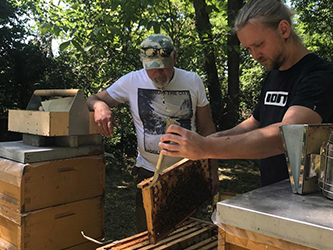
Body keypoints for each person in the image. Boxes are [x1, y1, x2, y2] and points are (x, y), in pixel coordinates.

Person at [159, 0, 333, 187]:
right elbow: (256, 121)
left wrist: (207, 147)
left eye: (259, 44)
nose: (255, 55)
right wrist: (213, 138)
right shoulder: (274, 74)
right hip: (273, 193)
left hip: (312, 197)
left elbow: (288, 136)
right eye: (249, 48)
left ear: (283, 30)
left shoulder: (320, 75)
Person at [87, 34, 218, 232]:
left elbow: (207, 128)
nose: (159, 73)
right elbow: (93, 98)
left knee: (185, 233)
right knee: (149, 233)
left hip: (187, 171)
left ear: (174, 57)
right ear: (143, 63)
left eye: (164, 66)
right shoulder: (131, 81)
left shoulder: (193, 81)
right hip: (148, 172)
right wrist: (100, 106)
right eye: (152, 68)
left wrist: (213, 172)